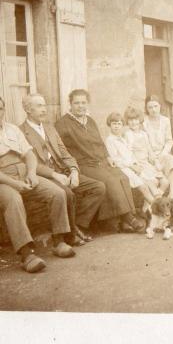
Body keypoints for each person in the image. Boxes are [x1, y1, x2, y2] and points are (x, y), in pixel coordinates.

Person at [0, 96, 74, 273]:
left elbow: (29, 155)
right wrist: (14, 184)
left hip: (24, 171)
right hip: (3, 178)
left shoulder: (12, 129)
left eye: (0, 108)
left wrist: (32, 173)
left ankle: (59, 241)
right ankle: (27, 254)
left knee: (57, 192)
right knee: (14, 200)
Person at [20, 94, 106, 244]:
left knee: (98, 187)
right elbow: (30, 164)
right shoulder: (21, 132)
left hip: (63, 171)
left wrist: (74, 170)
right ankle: (70, 235)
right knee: (67, 194)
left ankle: (77, 225)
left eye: (44, 105)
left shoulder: (49, 127)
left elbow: (64, 152)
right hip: (44, 176)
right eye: (39, 106)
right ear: (28, 109)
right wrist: (54, 175)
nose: (44, 110)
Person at [55, 89, 138, 233]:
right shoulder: (62, 124)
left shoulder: (90, 121)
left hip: (100, 161)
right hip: (83, 164)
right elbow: (60, 150)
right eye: (77, 103)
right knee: (110, 180)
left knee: (122, 177)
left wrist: (108, 156)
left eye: (83, 103)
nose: (81, 106)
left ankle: (121, 222)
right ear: (70, 104)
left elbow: (100, 142)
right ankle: (128, 217)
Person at [104, 112, 159, 211]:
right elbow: (116, 160)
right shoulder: (110, 140)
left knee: (150, 180)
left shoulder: (122, 139)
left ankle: (148, 208)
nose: (116, 126)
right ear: (110, 125)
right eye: (114, 124)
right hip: (123, 168)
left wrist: (135, 164)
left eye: (119, 124)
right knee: (143, 187)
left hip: (132, 166)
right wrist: (131, 166)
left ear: (122, 125)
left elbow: (130, 154)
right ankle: (158, 208)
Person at [142, 95, 173, 203]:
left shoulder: (165, 121)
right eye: (150, 107)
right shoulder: (144, 123)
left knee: (172, 160)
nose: (153, 110)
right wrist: (153, 157)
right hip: (149, 156)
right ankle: (157, 198)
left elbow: (169, 141)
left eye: (155, 106)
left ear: (160, 106)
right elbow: (145, 143)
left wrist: (163, 154)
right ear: (146, 108)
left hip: (162, 153)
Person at [124, 107, 169, 197]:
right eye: (130, 120)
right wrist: (135, 165)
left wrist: (156, 162)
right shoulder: (128, 134)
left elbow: (149, 150)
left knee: (165, 182)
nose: (133, 122)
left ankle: (150, 204)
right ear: (127, 121)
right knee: (153, 183)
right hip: (138, 165)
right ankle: (156, 201)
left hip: (147, 163)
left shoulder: (143, 134)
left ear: (140, 120)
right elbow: (129, 153)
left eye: (136, 119)